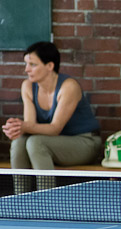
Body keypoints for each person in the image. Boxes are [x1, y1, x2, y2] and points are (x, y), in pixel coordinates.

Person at [2, 41, 101, 191]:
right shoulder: (27, 86)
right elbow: (30, 125)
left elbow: (55, 128)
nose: (26, 69)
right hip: (50, 143)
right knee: (19, 142)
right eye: (26, 64)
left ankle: (47, 198)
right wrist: (17, 128)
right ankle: (20, 198)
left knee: (36, 143)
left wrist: (24, 126)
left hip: (85, 142)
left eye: (33, 64)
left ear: (49, 66)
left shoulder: (69, 86)